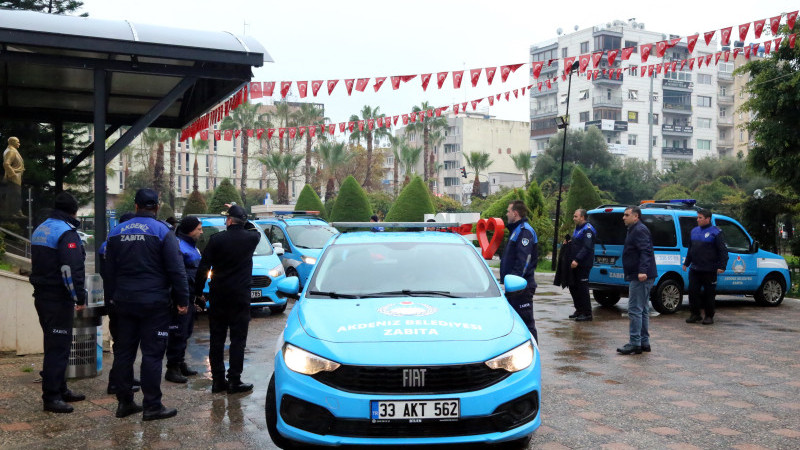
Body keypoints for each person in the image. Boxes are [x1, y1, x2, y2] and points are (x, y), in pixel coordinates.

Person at [105, 188, 189, 421]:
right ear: (157, 206)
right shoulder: (162, 231)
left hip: (123, 302)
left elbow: (108, 272)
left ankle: (124, 403)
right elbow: (176, 269)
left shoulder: (116, 232)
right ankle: (152, 405)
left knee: (124, 353)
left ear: (135, 206)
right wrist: (182, 300)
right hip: (154, 303)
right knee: (152, 355)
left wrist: (110, 301)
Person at [29, 191, 86, 413]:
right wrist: (79, 296)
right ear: (74, 211)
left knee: (55, 343)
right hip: (57, 297)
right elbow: (70, 270)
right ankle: (52, 397)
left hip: (42, 295)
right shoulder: (66, 232)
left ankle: (61, 389)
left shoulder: (41, 228)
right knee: (58, 347)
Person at [195, 205, 260, 394]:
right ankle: (234, 380)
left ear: (229, 221)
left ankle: (217, 380)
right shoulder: (252, 238)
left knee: (217, 339)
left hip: (219, 295)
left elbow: (203, 268)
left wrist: (198, 292)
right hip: (240, 296)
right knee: (238, 340)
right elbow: (252, 228)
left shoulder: (216, 240)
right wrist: (239, 213)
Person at [99, 212, 142, 396]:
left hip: (115, 297)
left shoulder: (107, 244)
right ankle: (116, 382)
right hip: (122, 298)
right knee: (124, 344)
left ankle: (124, 377)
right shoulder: (120, 243)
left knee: (124, 343)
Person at [165, 216, 203, 383]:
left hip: (189, 295)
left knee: (185, 332)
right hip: (180, 297)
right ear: (190, 230)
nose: (201, 232)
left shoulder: (192, 247)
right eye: (199, 229)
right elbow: (178, 274)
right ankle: (172, 368)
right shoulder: (180, 246)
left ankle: (180, 363)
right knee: (177, 333)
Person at [617, 206, 657, 355]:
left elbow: (645, 251)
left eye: (626, 215)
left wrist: (642, 270)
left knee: (634, 309)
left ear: (636, 216)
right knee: (643, 309)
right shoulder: (634, 229)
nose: (623, 217)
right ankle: (643, 342)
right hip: (640, 274)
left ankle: (635, 343)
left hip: (640, 276)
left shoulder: (639, 229)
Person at [500, 200, 539, 342]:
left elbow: (524, 261)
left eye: (508, 211)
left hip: (521, 287)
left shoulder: (524, 232)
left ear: (515, 213)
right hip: (514, 286)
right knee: (515, 324)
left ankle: (533, 354)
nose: (507, 213)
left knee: (526, 324)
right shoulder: (516, 231)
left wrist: (515, 283)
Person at [683, 208, 728, 325]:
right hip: (695, 268)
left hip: (709, 269)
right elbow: (691, 249)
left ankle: (709, 316)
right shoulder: (694, 231)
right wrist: (686, 263)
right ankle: (695, 314)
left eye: (700, 218)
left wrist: (722, 266)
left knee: (709, 294)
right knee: (692, 292)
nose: (697, 220)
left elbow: (722, 251)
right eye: (697, 217)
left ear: (708, 219)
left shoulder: (716, 232)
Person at [567, 209, 596, 321]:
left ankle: (587, 313)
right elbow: (578, 243)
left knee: (582, 288)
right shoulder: (578, 229)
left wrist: (577, 260)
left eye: (576, 216)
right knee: (573, 287)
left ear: (582, 217)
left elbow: (587, 247)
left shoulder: (588, 229)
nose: (574, 218)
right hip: (575, 263)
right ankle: (579, 310)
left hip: (583, 263)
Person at [3, 136, 25, 217]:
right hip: (14, 176)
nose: (19, 143)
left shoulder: (12, 150)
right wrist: (12, 174)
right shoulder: (11, 151)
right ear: (12, 142)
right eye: (17, 142)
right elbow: (6, 164)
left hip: (16, 175)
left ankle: (16, 212)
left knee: (14, 194)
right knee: (15, 194)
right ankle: (14, 212)